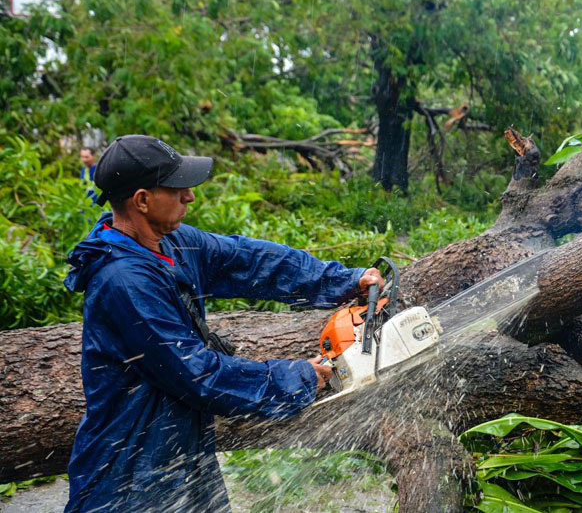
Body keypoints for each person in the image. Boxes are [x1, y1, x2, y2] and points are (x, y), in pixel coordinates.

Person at [63, 135, 383, 512]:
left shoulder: (172, 244)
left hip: (180, 456)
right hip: (130, 478)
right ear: (142, 200)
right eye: (177, 188)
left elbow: (251, 260)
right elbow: (195, 375)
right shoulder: (124, 282)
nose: (190, 197)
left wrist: (344, 281)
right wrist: (295, 378)